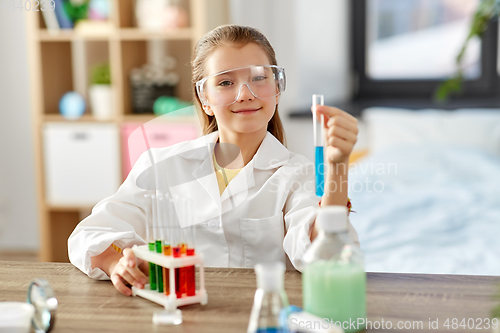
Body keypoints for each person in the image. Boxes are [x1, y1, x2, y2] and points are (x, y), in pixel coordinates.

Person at [68, 24, 360, 296]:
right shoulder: (160, 167)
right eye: (225, 82)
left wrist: (337, 169)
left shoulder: (297, 175)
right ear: (203, 98)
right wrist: (117, 263)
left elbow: (324, 254)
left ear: (277, 88)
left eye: (259, 78)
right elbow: (89, 234)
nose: (245, 94)